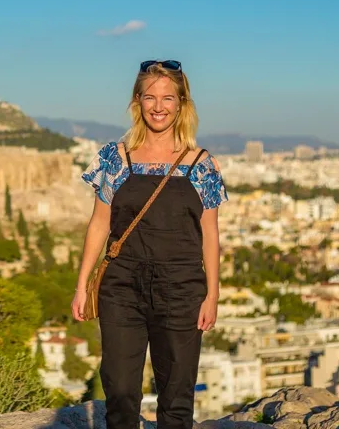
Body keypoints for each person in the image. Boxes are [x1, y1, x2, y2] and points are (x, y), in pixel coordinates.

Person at [71, 59, 227, 429]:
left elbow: (211, 234)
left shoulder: (201, 165)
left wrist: (213, 294)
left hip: (181, 288)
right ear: (137, 101)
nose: (159, 106)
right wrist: (81, 286)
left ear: (182, 103)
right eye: (150, 97)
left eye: (168, 98)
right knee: (121, 392)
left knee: (176, 397)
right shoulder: (115, 157)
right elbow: (99, 224)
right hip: (121, 286)